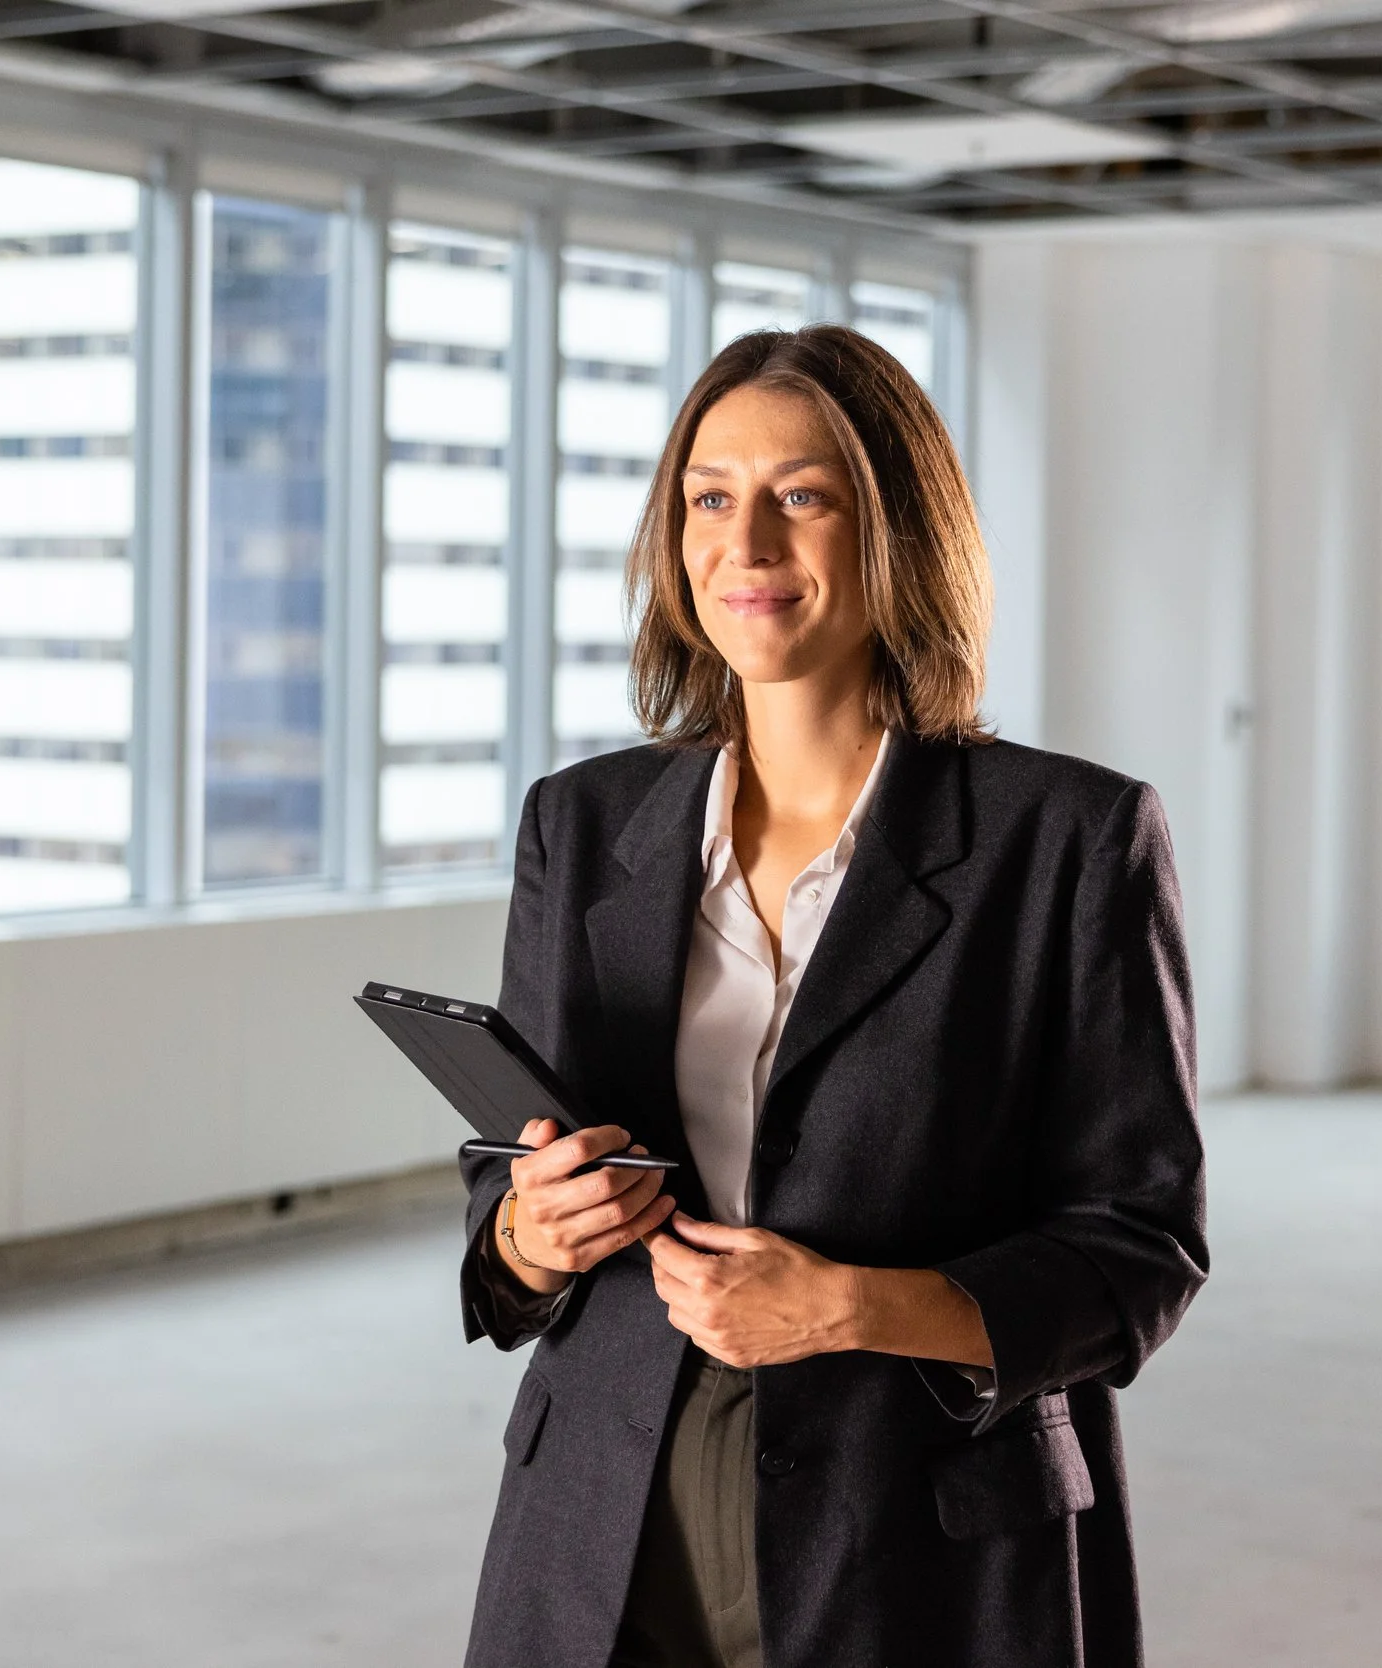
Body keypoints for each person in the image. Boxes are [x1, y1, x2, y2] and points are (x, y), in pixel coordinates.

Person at [455, 323, 1206, 1668]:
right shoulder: (582, 826)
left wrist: (853, 1306)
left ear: (897, 533)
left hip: (918, 1536)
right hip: (605, 1521)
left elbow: (1139, 1249)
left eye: (803, 497)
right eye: (710, 497)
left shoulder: (1071, 840)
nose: (747, 547)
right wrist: (531, 1233)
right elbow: (502, 1199)